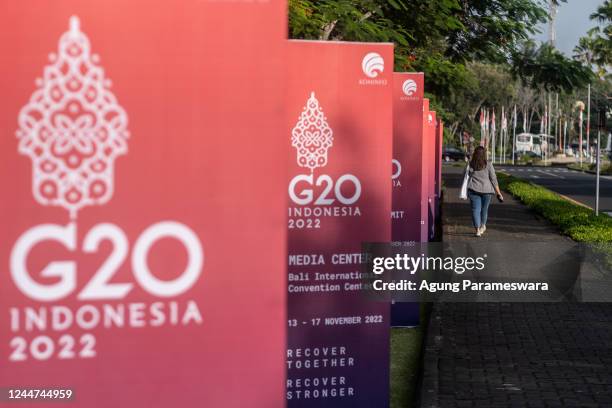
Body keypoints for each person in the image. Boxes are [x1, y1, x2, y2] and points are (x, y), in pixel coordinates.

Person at [465, 146, 503, 237]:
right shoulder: (489, 164)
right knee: (484, 210)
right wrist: (499, 193)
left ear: (475, 154)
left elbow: (466, 176)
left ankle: (477, 230)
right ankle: (482, 226)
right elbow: (493, 179)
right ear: (484, 154)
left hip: (473, 189)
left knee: (475, 210)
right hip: (487, 191)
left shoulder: (471, 164)